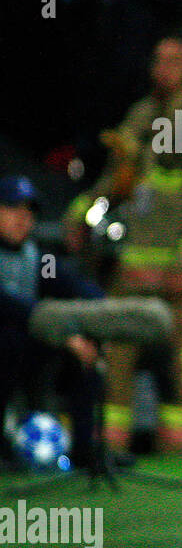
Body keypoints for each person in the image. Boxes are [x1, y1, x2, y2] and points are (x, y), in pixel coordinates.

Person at [63, 35, 182, 454]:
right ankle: (109, 460)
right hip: (131, 271)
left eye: (174, 61)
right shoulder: (140, 116)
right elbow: (115, 182)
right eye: (158, 60)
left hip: (181, 277)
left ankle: (180, 460)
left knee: (178, 371)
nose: (164, 69)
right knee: (116, 363)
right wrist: (82, 212)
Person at [0, 175, 102, 471]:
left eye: (28, 211)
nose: (23, 217)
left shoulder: (38, 258)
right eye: (11, 207)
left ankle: (84, 450)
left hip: (24, 348)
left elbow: (76, 287)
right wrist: (63, 334)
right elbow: (9, 307)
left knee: (84, 353)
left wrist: (103, 315)